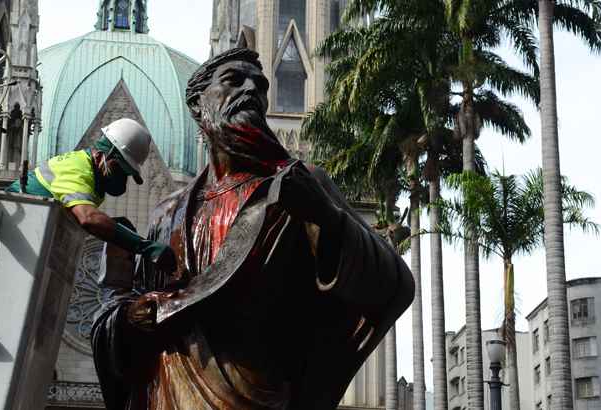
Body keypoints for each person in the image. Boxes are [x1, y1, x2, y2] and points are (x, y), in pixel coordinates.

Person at [91, 48, 415, 410]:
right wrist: (130, 318)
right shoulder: (166, 214)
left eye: (260, 86)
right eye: (234, 81)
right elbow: (126, 322)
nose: (251, 91)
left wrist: (326, 216)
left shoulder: (300, 186)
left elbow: (395, 285)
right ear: (198, 106)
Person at [6, 118, 176, 273]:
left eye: (127, 174)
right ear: (105, 155)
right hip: (11, 232)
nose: (122, 180)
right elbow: (88, 219)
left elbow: (72, 218)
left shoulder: (94, 180)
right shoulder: (78, 168)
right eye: (120, 170)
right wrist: (143, 246)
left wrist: (117, 229)